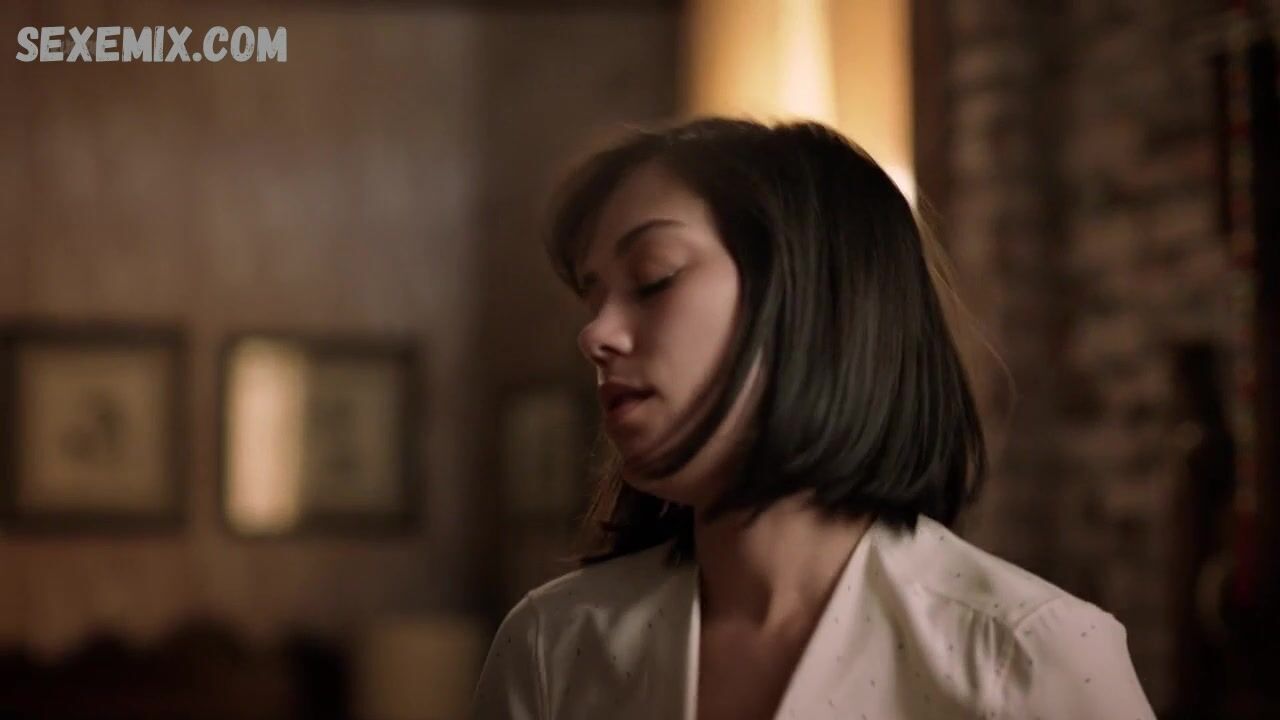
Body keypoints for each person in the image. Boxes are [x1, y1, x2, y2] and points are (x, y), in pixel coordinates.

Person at [469, 118, 1156, 719]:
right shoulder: (553, 645)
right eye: (593, 299)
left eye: (653, 278)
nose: (595, 334)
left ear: (813, 301)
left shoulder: (1025, 655)